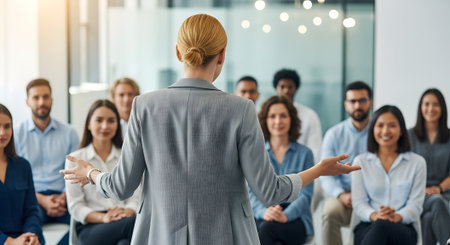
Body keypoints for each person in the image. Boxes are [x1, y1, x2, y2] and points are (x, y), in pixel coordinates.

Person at [61, 14, 360, 245]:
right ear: (222, 55)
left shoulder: (144, 106)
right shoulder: (241, 109)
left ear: (179, 53)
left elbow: (120, 187)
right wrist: (318, 170)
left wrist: (90, 173)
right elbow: (270, 191)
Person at [15, 78, 79, 245]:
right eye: (36, 98)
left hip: (64, 198)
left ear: (51, 99)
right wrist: (42, 200)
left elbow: (76, 171)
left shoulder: (69, 133)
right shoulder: (16, 135)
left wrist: (65, 196)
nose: (41, 102)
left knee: (85, 224)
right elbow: (17, 178)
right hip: (32, 199)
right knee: (30, 232)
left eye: (45, 96)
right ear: (27, 101)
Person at [66, 100, 139, 245]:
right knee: (134, 225)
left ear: (117, 125)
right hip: (92, 226)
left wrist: (126, 213)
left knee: (124, 243)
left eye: (111, 121)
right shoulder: (77, 159)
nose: (105, 126)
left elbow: (136, 197)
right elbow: (75, 206)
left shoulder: (127, 157)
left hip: (124, 218)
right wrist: (103, 218)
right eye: (99, 120)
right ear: (88, 124)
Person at [352, 105, 426, 245]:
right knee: (379, 226)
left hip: (403, 228)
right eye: (380, 125)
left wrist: (395, 216)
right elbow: (359, 203)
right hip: (368, 225)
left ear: (401, 131)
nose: (385, 131)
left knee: (382, 226)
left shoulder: (417, 163)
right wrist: (376, 216)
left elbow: (415, 205)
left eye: (392, 125)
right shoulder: (360, 162)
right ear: (373, 129)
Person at [249, 96, 314, 245]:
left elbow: (306, 195)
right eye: (272, 116)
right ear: (265, 120)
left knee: (266, 231)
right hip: (262, 216)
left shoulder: (305, 154)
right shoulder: (255, 153)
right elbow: (249, 193)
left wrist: (286, 215)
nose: (278, 121)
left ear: (291, 119)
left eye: (283, 115)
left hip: (295, 220)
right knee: (268, 233)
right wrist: (264, 212)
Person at [319, 81, 373, 245]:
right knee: (329, 212)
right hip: (344, 195)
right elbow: (325, 173)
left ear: (370, 102)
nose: (357, 105)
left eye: (362, 100)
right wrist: (341, 194)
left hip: (373, 195)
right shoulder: (333, 134)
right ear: (346, 104)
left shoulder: (380, 132)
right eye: (352, 101)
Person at [408, 88, 450, 245]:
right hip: (418, 195)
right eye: (426, 104)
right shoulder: (408, 136)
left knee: (428, 218)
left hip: (444, 194)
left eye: (435, 104)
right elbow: (405, 169)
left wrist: (438, 188)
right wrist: (422, 189)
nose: (430, 109)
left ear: (442, 108)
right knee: (436, 202)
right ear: (421, 107)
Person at [0, 104, 44, 245]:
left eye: (7, 126)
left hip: (26, 239)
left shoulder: (23, 166)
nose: (2, 133)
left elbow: (32, 210)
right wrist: (9, 242)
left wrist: (31, 235)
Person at [272, 68, 322, 162]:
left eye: (290, 87)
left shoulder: (310, 116)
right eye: (282, 87)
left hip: (303, 170)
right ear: (276, 88)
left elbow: (315, 151)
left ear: (296, 89)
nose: (286, 91)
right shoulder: (266, 115)